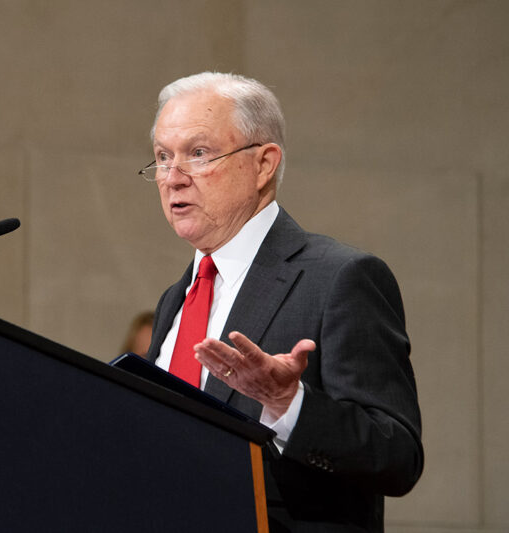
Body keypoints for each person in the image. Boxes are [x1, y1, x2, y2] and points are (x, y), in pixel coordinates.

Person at [141, 72, 423, 532]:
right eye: (161, 157)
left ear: (264, 164)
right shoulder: (177, 297)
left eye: (198, 153)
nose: (173, 179)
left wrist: (289, 404)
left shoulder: (339, 278)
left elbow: (397, 455)